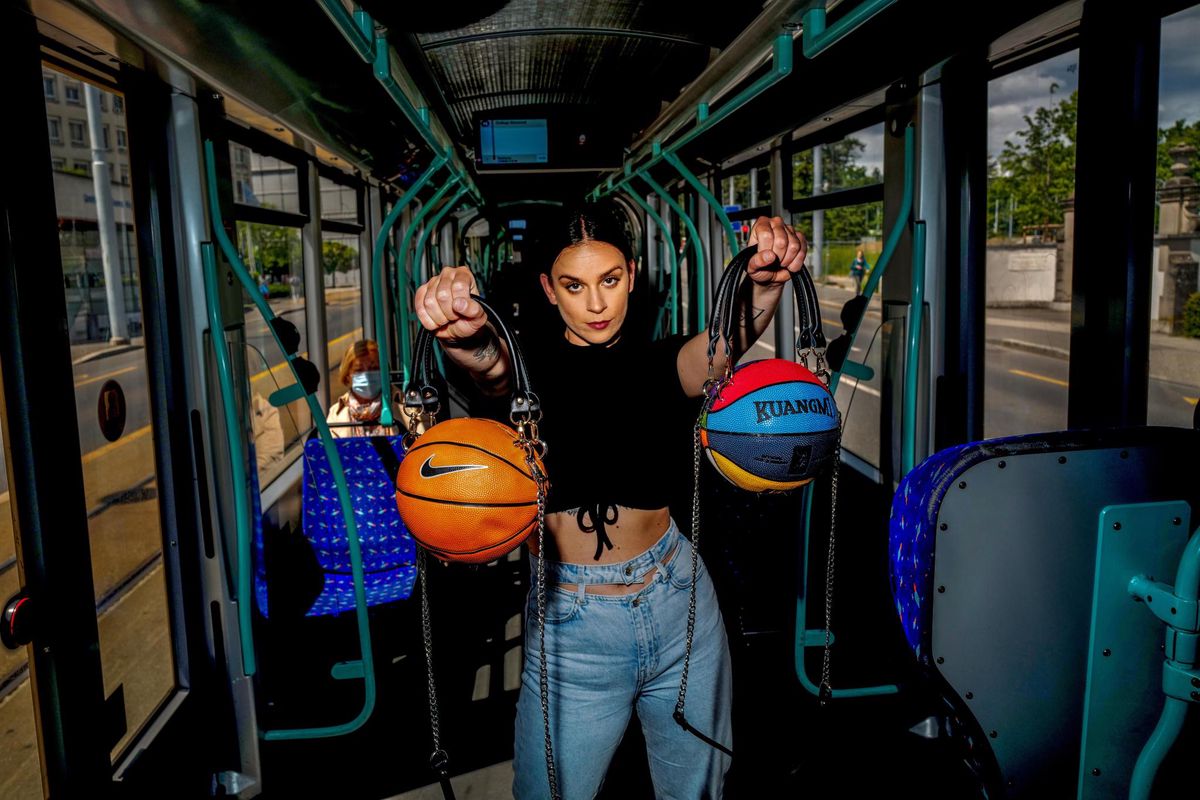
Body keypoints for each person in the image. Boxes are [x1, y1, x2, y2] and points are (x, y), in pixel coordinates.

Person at [412, 203, 807, 799]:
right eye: (574, 285)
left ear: (634, 272)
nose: (595, 304)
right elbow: (487, 368)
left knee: (697, 791)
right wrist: (463, 335)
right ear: (548, 289)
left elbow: (726, 345)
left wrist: (764, 284)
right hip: (574, 620)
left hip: (680, 602)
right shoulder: (526, 375)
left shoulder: (661, 363)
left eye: (610, 280)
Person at [326, 339, 396, 438]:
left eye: (374, 368)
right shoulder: (335, 415)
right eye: (359, 370)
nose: (367, 375)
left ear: (384, 370)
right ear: (347, 375)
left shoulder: (404, 407)